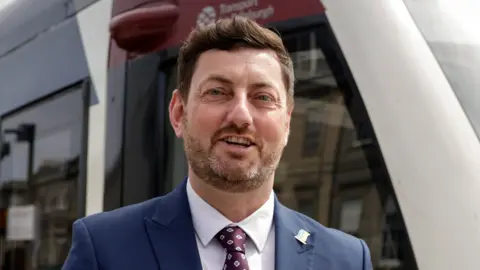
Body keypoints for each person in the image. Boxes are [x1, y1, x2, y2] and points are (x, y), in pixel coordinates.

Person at [62, 16, 372, 270]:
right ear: (179, 112)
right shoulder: (104, 249)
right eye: (217, 92)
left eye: (262, 97)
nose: (240, 115)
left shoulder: (347, 260)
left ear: (287, 122)